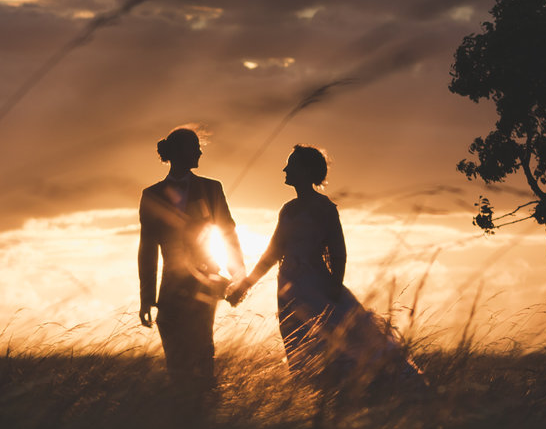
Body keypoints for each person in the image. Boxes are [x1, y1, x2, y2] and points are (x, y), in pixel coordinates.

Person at [227, 145, 428, 401]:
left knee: (335, 342)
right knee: (299, 344)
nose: (285, 169)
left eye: (292, 164)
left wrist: (334, 286)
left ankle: (366, 393)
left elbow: (338, 251)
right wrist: (246, 285)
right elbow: (271, 253)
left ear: (307, 171)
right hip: (289, 288)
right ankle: (317, 399)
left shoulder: (324, 208)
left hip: (318, 286)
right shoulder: (287, 210)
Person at [137, 125, 243, 405]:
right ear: (179, 153)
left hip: (205, 281)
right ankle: (184, 410)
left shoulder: (211, 188)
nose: (199, 152)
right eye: (194, 146)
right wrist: (147, 297)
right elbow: (147, 248)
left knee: (202, 350)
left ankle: (205, 407)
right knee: (175, 358)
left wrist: (238, 274)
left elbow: (228, 232)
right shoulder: (152, 195)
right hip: (169, 287)